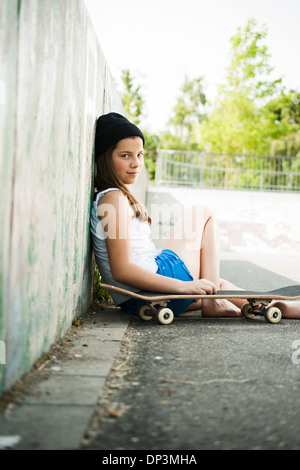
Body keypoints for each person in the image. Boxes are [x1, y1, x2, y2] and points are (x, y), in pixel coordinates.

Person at [90, 112, 300, 319]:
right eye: (125, 155)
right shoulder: (114, 199)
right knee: (203, 213)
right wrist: (184, 286)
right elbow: (122, 270)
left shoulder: (112, 197)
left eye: (140, 154)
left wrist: (189, 285)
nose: (136, 163)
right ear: (105, 158)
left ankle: (273, 307)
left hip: (136, 300)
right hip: (151, 287)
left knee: (215, 283)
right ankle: (214, 303)